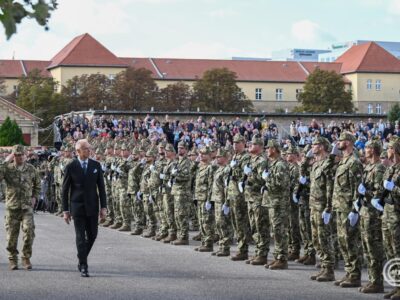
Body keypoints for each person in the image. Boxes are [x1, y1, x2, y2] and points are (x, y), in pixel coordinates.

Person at [62, 139, 107, 277]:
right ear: (78, 151)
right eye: (86, 148)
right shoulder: (71, 166)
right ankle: (84, 265)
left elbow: (101, 187)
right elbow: (65, 190)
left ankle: (81, 256)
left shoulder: (96, 165)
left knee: (93, 235)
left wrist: (104, 207)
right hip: (78, 206)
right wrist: (65, 210)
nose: (89, 150)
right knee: (80, 237)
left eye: (89, 148)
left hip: (93, 205)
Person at [0, 145, 40, 270]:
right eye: (17, 155)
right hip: (12, 207)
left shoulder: (31, 169)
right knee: (12, 235)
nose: (20, 157)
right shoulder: (8, 169)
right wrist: (6, 161)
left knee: (29, 232)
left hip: (27, 207)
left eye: (22, 155)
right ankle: (12, 259)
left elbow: (37, 185)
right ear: (13, 156)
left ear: (26, 155)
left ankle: (26, 257)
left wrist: (35, 197)